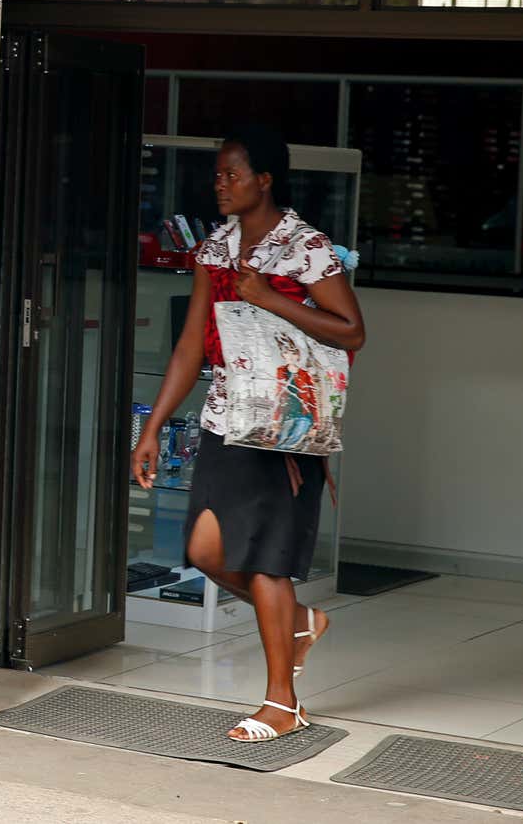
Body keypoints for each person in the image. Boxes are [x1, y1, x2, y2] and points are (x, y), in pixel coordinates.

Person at [131, 125, 366, 743]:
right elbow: (190, 343)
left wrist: (267, 296)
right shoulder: (216, 248)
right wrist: (152, 427)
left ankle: (282, 704)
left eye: (233, 174)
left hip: (284, 426)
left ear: (265, 180)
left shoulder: (307, 248)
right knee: (206, 551)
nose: (221, 184)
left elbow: (350, 331)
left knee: (264, 559)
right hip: (224, 418)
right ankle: (300, 621)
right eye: (216, 175)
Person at [272, 335, 318, 452]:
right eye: (287, 353)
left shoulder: (305, 374)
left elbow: (313, 399)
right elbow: (278, 397)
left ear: (298, 355)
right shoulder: (280, 371)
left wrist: (316, 425)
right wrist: (275, 420)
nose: (291, 356)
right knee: (281, 443)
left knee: (291, 442)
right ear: (283, 355)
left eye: (294, 353)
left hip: (304, 415)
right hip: (288, 415)